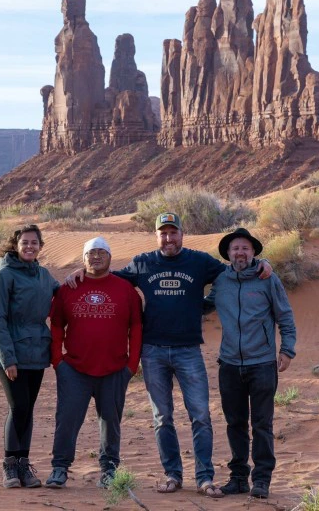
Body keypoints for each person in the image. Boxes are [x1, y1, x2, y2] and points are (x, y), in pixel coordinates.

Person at [66, 212, 271, 499]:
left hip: (189, 350)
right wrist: (83, 272)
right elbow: (110, 279)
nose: (169, 238)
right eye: (163, 232)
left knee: (200, 415)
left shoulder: (199, 261)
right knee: (162, 417)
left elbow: (234, 271)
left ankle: (204, 477)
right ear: (156, 236)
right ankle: (172, 474)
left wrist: (263, 263)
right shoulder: (143, 262)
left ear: (181, 235)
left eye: (173, 232)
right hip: (153, 351)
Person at [205, 227, 297, 499]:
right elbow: (207, 305)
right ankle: (238, 478)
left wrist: (287, 350)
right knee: (234, 422)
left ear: (254, 252)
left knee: (262, 424)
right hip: (230, 364)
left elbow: (286, 317)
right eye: (235, 248)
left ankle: (262, 480)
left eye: (245, 248)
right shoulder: (221, 280)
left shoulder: (267, 279)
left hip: (262, 364)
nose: (240, 252)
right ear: (228, 254)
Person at [45, 236, 143, 490]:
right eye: (91, 253)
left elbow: (136, 327)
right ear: (83, 258)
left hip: (114, 369)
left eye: (101, 252)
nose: (96, 257)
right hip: (75, 369)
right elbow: (56, 325)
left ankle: (109, 469)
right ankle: (60, 468)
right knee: (67, 419)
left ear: (110, 257)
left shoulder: (125, 289)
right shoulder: (69, 288)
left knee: (110, 421)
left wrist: (131, 365)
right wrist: (58, 361)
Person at [0, 224, 59, 489]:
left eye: (34, 243)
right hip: (11, 355)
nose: (29, 247)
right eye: (24, 243)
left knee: (27, 410)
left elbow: (62, 294)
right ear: (15, 246)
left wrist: (80, 278)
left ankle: (24, 465)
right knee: (18, 408)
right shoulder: (4, 275)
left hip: (37, 353)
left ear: (40, 246)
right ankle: (10, 465)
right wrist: (8, 359)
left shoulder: (44, 275)